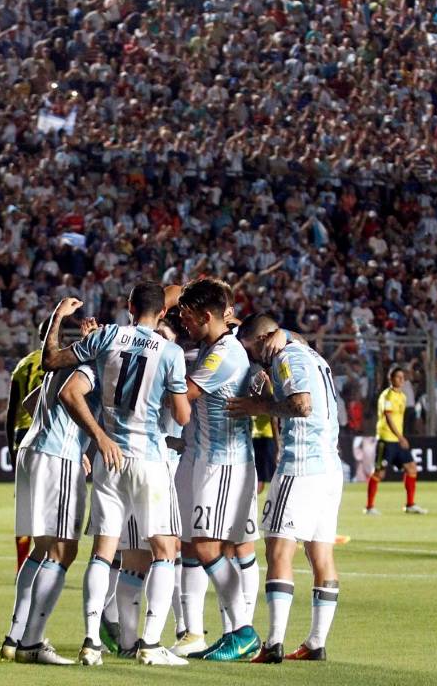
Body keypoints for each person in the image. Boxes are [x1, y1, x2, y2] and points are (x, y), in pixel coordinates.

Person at [44, 285, 192, 666]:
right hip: (150, 461)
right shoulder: (171, 352)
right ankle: (151, 644)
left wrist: (99, 436)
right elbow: (181, 416)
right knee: (165, 550)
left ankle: (91, 641)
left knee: (103, 551)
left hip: (110, 457)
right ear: (162, 314)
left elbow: (55, 363)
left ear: (129, 307)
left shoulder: (107, 336)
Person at [229, 313, 342, 663]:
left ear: (263, 340)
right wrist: (285, 333)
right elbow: (297, 342)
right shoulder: (310, 354)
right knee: (321, 556)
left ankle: (274, 643)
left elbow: (301, 405)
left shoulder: (285, 357)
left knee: (278, 552)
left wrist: (257, 406)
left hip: (301, 466)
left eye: (251, 349)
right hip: (330, 469)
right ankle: (316, 642)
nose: (252, 358)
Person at [172, 279, 262, 662]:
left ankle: (242, 631)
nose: (184, 326)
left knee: (211, 547)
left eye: (188, 318)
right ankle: (210, 631)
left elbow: (185, 393)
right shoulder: (212, 345)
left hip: (224, 462)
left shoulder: (223, 353)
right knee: (194, 545)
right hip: (203, 458)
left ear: (206, 316)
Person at [1, 316, 98, 666]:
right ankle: (32, 642)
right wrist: (89, 441)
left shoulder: (66, 361)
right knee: (62, 550)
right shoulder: (92, 367)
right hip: (58, 457)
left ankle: (15, 636)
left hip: (32, 448)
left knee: (41, 550)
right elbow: (71, 397)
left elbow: (30, 403)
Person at [5, 319, 51, 570]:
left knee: (25, 505)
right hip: (47, 435)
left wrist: (12, 456)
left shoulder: (23, 365)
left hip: (22, 437)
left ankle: (22, 566)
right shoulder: (61, 362)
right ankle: (45, 564)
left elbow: (11, 414)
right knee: (48, 504)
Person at [366, 367, 427, 515]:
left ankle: (410, 505)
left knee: (411, 468)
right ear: (390, 378)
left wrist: (400, 437)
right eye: (398, 377)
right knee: (379, 473)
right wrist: (401, 437)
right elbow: (388, 418)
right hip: (386, 439)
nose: (401, 380)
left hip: (397, 440)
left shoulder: (402, 396)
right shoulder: (387, 396)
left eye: (403, 377)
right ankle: (369, 507)